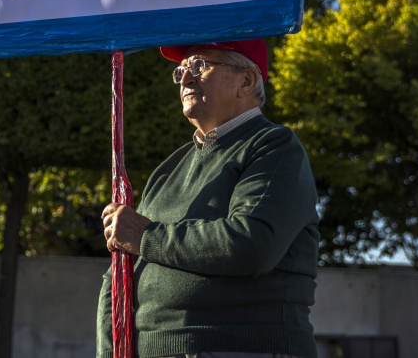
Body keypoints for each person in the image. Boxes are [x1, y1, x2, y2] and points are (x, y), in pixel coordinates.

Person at [96, 39, 320, 358]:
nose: (186, 78)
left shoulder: (274, 147)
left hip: (241, 348)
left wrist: (145, 235)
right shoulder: (167, 169)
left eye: (200, 66)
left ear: (247, 81)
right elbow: (118, 274)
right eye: (181, 70)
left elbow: (251, 244)